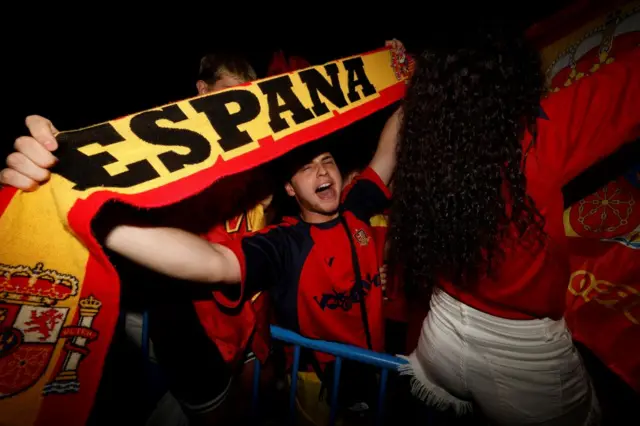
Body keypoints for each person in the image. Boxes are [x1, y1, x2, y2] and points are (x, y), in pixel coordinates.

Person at [0, 41, 404, 425]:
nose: (238, 114)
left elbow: (378, 154)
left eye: (248, 101)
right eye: (229, 99)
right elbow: (213, 261)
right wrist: (71, 193)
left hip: (252, 335)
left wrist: (406, 74)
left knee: (250, 407)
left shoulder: (284, 176)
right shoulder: (171, 165)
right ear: (201, 94)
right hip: (193, 338)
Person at [387, 26, 639, 425]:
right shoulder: (541, 135)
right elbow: (627, 87)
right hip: (521, 359)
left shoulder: (429, 145)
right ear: (516, 77)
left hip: (439, 339)